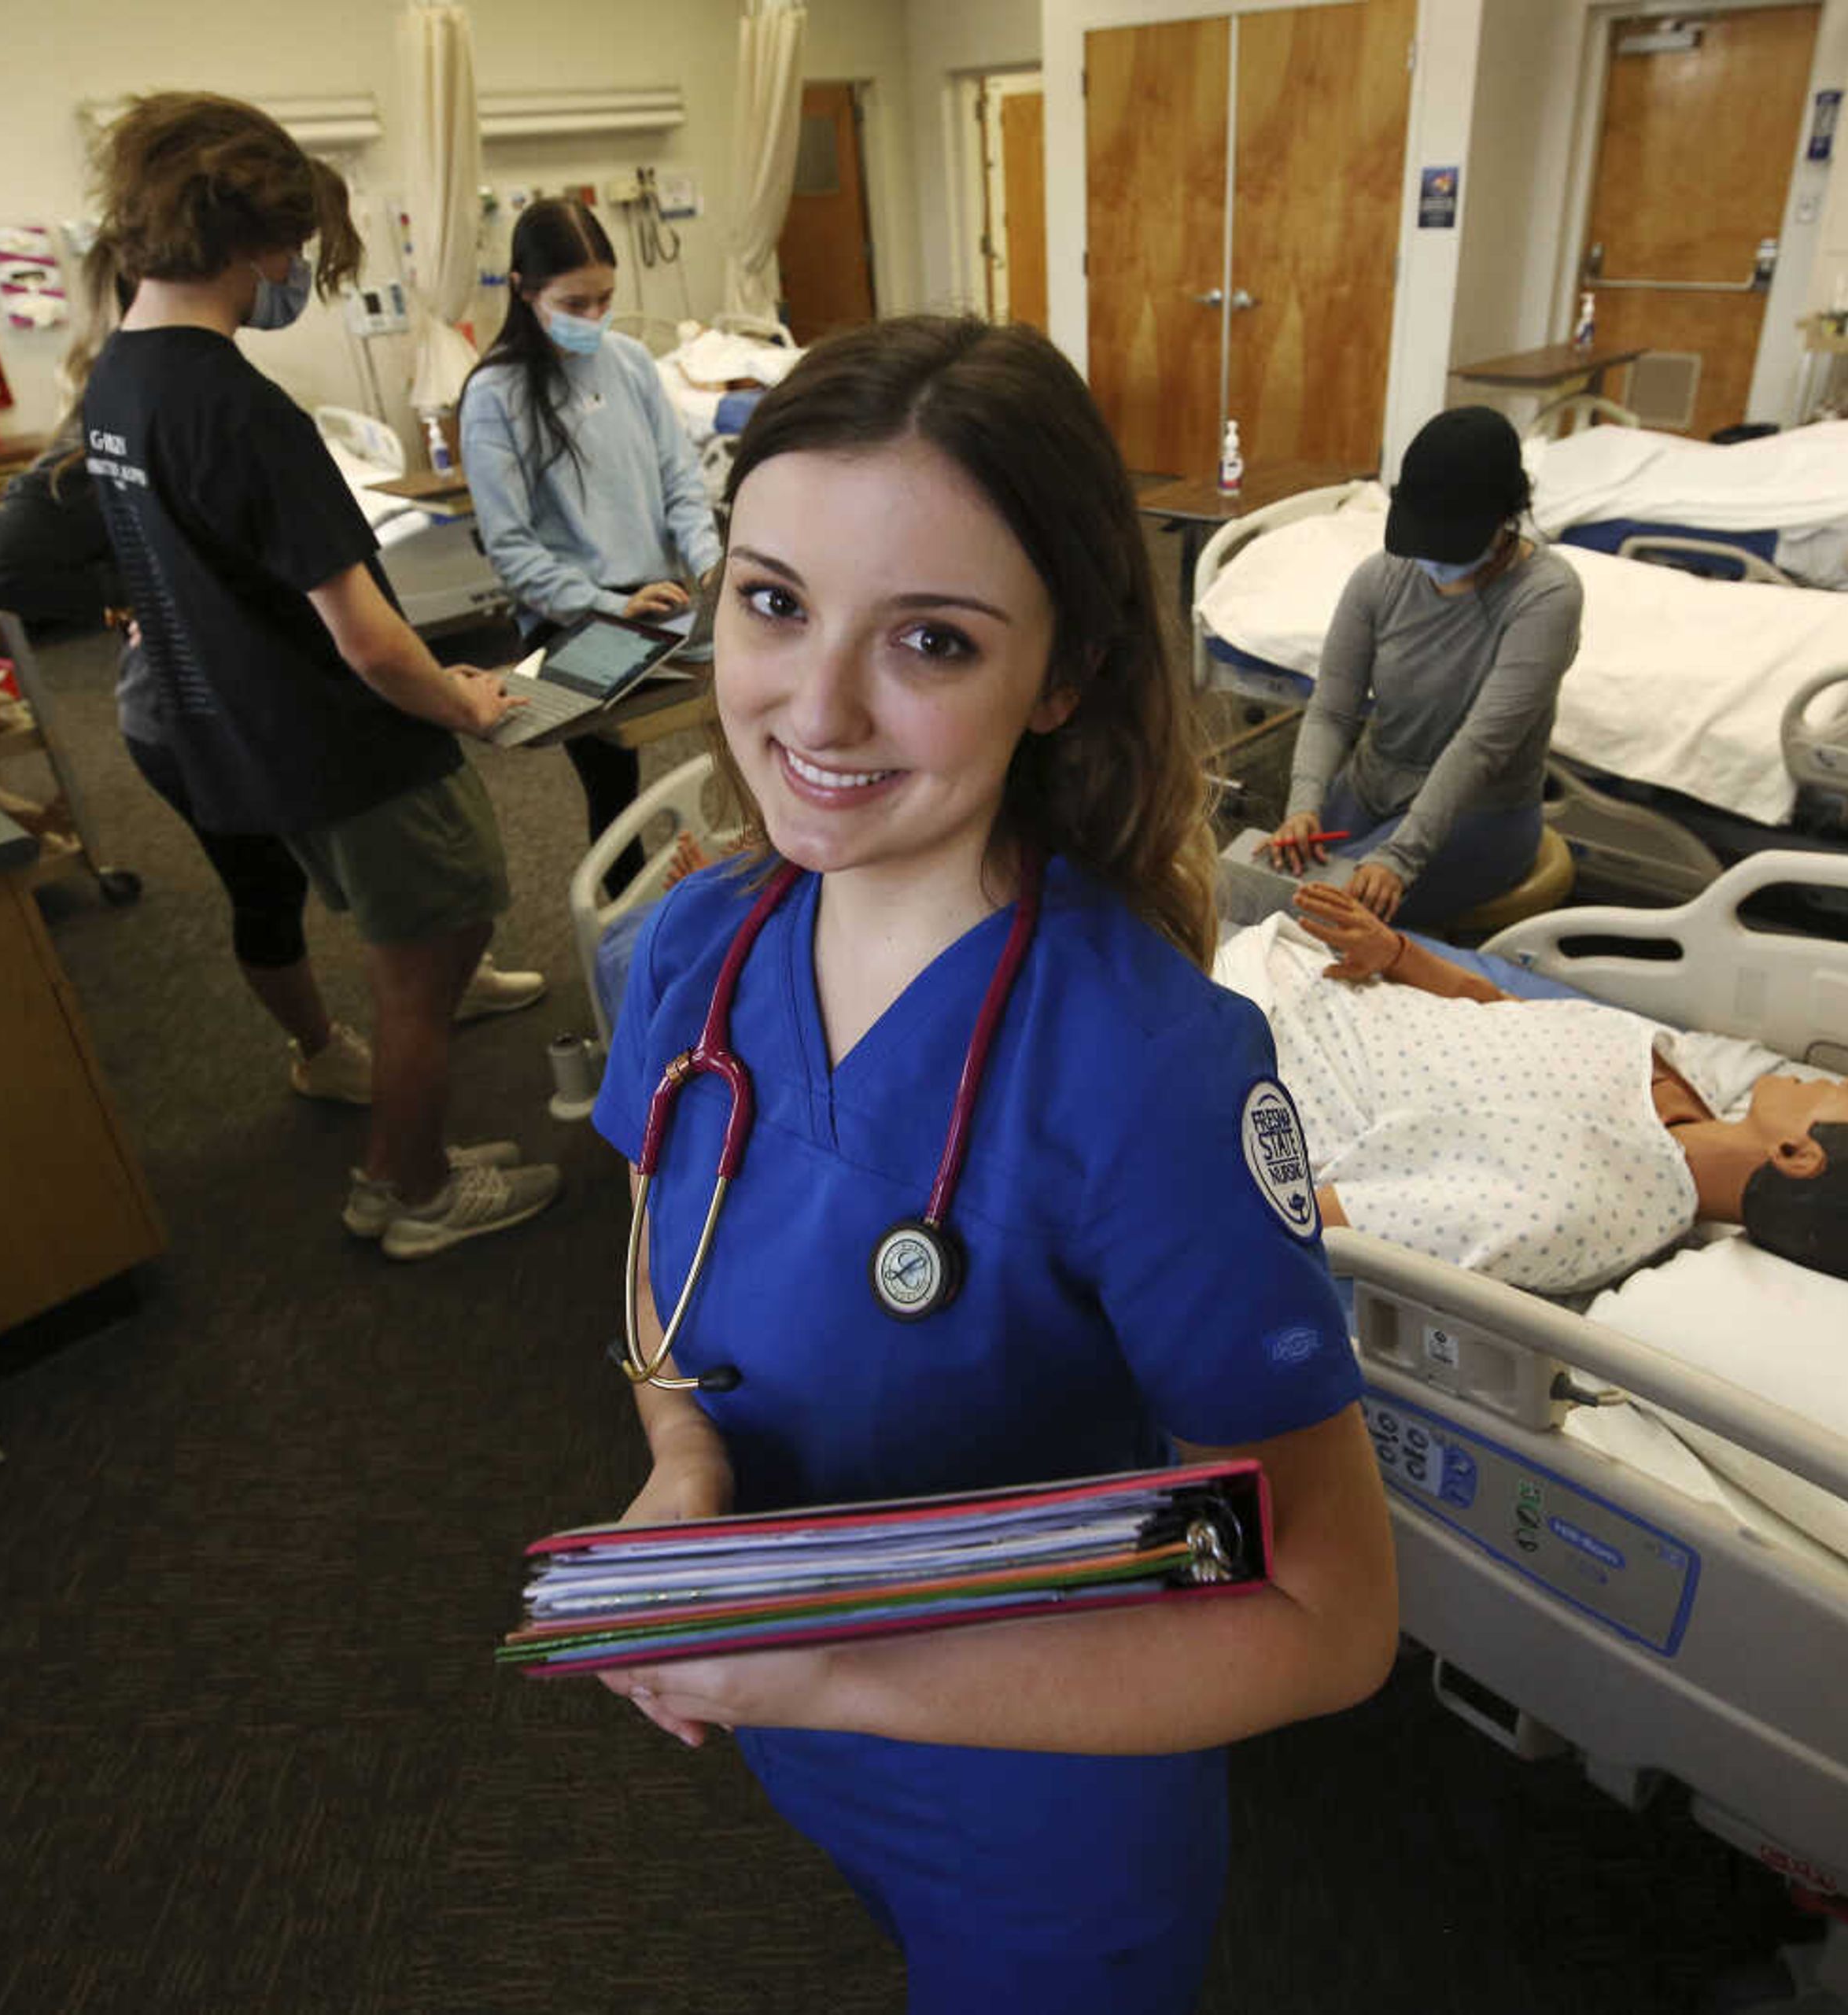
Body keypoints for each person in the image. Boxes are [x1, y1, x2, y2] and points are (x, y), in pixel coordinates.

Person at [588, 316, 1397, 2013]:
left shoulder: (1151, 1073)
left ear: (1067, 672)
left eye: (931, 641)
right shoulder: (695, 947)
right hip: (799, 1714)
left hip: (1051, 1785)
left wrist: (829, 1661)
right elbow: (665, 1247)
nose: (814, 707)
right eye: (773, 599)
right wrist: (684, 1465)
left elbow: (1332, 1612)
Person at [79, 91, 560, 1260]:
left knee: (412, 957)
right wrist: (464, 698)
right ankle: (415, 1194)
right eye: (295, 251)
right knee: (427, 967)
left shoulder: (114, 385)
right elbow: (365, 640)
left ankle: (402, 1165)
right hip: (354, 752)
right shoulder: (240, 407)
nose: (295, 274)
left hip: (251, 742)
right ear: (257, 243)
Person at [0, 207, 549, 1120]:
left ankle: (413, 1097)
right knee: (345, 916)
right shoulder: (191, 405)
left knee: (416, 927)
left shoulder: (143, 386)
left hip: (250, 694)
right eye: (299, 246)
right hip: (237, 710)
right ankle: (384, 1143)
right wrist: (142, 593)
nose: (298, 268)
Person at [1226, 882, 1848, 1292]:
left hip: (1242, 1045)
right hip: (1304, 972)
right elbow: (1505, 1015)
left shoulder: (1582, 1209)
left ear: (1796, 1154)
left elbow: (1306, 1217)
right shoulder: (1684, 1084)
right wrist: (1394, 952)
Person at [456, 197, 724, 892]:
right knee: (619, 792)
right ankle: (633, 933)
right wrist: (609, 601)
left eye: (606, 299)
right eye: (575, 303)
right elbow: (513, 552)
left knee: (755, 696)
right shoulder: (495, 394)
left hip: (662, 593)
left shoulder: (631, 362)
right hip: (574, 611)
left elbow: (680, 483)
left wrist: (710, 562)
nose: (595, 319)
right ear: (523, 290)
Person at [1264, 404, 1584, 932]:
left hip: (1480, 814)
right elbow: (1331, 711)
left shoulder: (1547, 597)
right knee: (1271, 889)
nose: (1433, 563)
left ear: (1506, 515)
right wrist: (1304, 806)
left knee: (1323, 918)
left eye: (1451, 543)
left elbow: (1480, 746)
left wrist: (1401, 856)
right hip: (1370, 789)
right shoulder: (1378, 580)